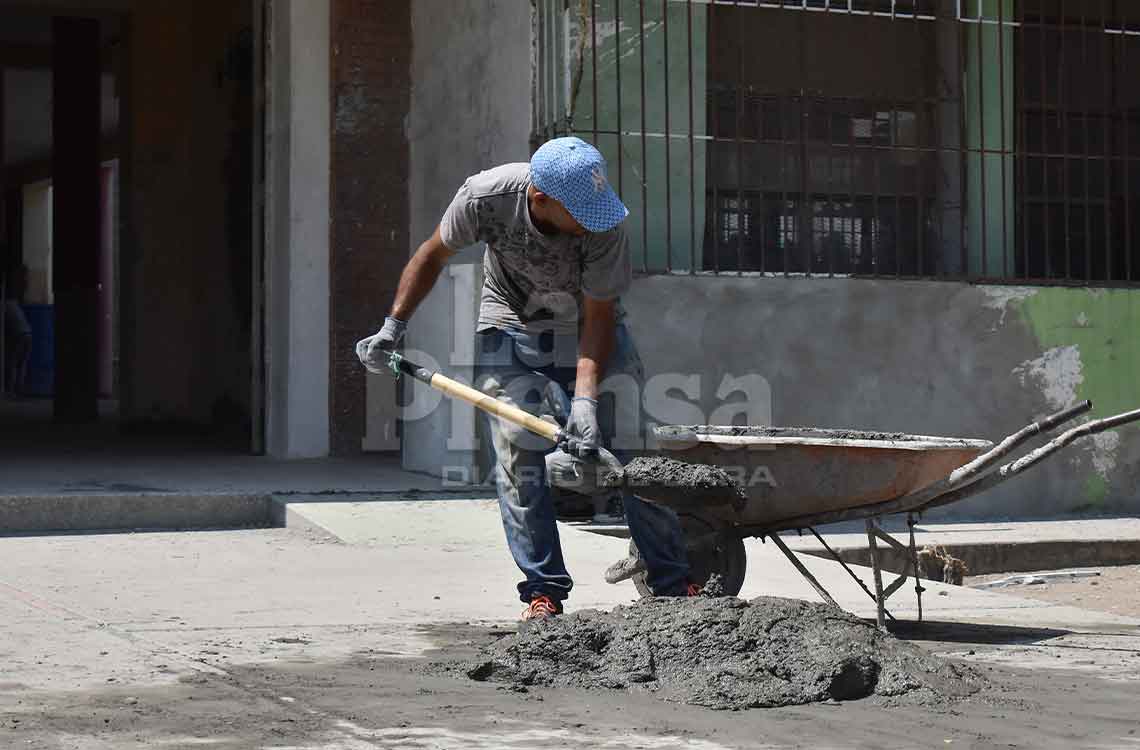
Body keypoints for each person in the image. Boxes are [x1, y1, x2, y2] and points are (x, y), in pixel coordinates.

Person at [356, 137, 693, 619]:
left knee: (633, 447)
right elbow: (433, 254)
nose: (591, 222)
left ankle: (673, 584)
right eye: (580, 213)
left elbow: (598, 320)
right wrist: (394, 326)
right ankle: (543, 591)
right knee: (518, 452)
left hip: (587, 325)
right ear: (540, 200)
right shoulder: (484, 198)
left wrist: (584, 403)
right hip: (510, 322)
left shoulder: (604, 222)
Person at [3, 266, 32, 399]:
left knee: (13, 362)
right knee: (22, 364)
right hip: (27, 334)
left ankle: (11, 391)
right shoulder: (15, 303)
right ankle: (19, 391)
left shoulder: (5, 306)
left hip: (18, 336)